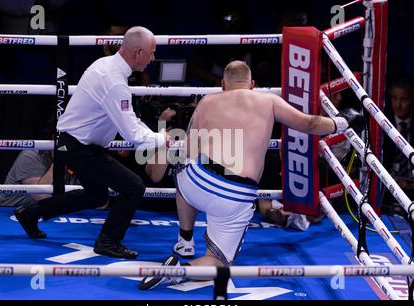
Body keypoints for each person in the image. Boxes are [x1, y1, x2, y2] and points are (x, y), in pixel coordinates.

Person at [139, 60, 364, 290]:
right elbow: (311, 123)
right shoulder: (268, 100)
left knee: (183, 165)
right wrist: (343, 122)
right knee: (218, 263)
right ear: (253, 84)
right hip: (235, 194)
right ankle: (179, 271)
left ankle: (185, 240)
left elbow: (189, 148)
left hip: (197, 181)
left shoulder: (207, 100)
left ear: (223, 85)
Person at [14, 26, 167, 260]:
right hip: (77, 147)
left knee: (96, 195)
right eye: (151, 52)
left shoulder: (105, 65)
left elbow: (130, 121)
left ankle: (30, 213)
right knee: (133, 186)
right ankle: (108, 241)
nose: (153, 58)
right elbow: (134, 136)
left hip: (76, 144)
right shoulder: (114, 81)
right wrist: (162, 138)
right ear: (137, 53)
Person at [382, 76, 414, 215]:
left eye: (403, 99)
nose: (398, 105)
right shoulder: (381, 121)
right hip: (388, 187)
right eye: (394, 98)